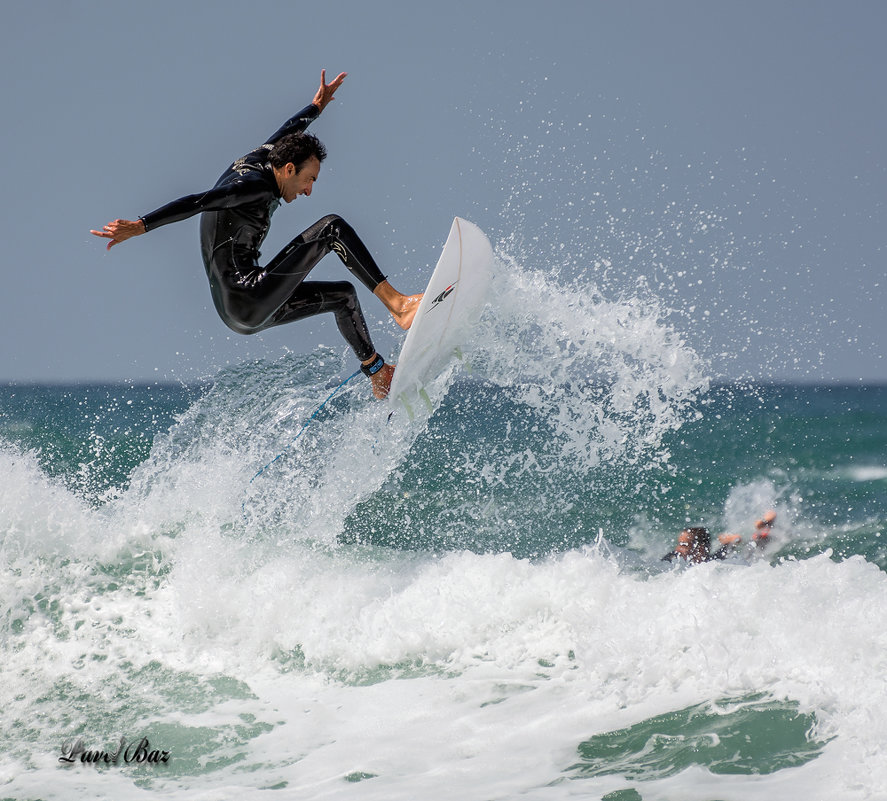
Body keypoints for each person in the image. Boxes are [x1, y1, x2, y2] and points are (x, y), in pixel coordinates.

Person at [90, 70, 421, 399]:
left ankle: (378, 373)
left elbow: (289, 130)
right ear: (288, 169)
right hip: (249, 294)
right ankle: (398, 305)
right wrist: (141, 225)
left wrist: (316, 106)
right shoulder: (253, 188)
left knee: (344, 295)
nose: (308, 191)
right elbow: (198, 201)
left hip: (237, 312)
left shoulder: (266, 157)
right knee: (332, 228)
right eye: (309, 180)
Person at [662, 527, 741, 564]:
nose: (678, 549)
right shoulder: (672, 560)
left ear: (700, 548)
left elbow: (736, 540)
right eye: (679, 544)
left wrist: (730, 540)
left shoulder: (715, 563)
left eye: (684, 545)